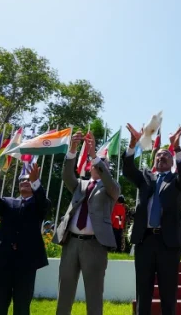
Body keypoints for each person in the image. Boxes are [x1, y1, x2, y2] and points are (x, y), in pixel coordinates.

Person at [123, 124, 181, 315]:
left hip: (168, 243)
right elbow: (128, 170)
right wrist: (132, 144)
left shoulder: (176, 180)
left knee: (168, 292)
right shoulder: (145, 177)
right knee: (143, 291)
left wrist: (176, 148)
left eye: (166, 155)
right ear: (154, 160)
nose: (161, 157)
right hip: (145, 240)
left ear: (172, 161)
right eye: (158, 155)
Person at [54, 131, 121, 315]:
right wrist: (72, 150)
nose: (98, 167)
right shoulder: (80, 185)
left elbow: (111, 185)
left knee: (94, 294)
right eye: (96, 165)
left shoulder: (111, 188)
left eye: (103, 165)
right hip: (71, 243)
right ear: (89, 168)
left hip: (95, 245)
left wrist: (95, 155)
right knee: (65, 291)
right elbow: (67, 177)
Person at [0, 162, 50, 315]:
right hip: (4, 259)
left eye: (29, 180)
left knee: (22, 304)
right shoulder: (8, 202)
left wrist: (36, 182)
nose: (25, 182)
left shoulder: (40, 204)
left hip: (27, 262)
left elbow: (42, 202)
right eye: (22, 180)